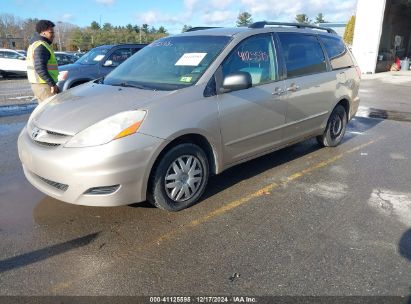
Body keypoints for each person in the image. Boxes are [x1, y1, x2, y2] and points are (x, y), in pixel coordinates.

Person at [27, 20, 59, 103]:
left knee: (45, 112)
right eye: (51, 32)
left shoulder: (35, 44)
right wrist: (52, 84)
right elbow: (40, 67)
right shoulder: (41, 46)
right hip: (44, 86)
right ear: (43, 33)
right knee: (54, 110)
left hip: (41, 85)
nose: (53, 35)